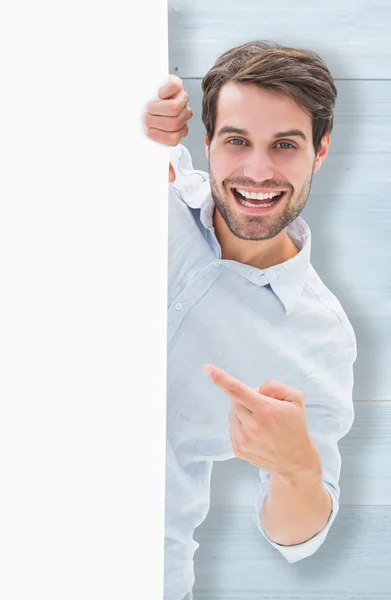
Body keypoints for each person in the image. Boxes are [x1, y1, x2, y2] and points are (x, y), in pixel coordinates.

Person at [144, 41, 357, 600]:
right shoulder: (149, 186)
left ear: (321, 151)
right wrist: (130, 111)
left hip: (140, 577)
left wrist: (296, 470)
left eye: (285, 145)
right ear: (206, 142)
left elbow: (298, 536)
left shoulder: (319, 335)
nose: (258, 172)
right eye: (237, 141)